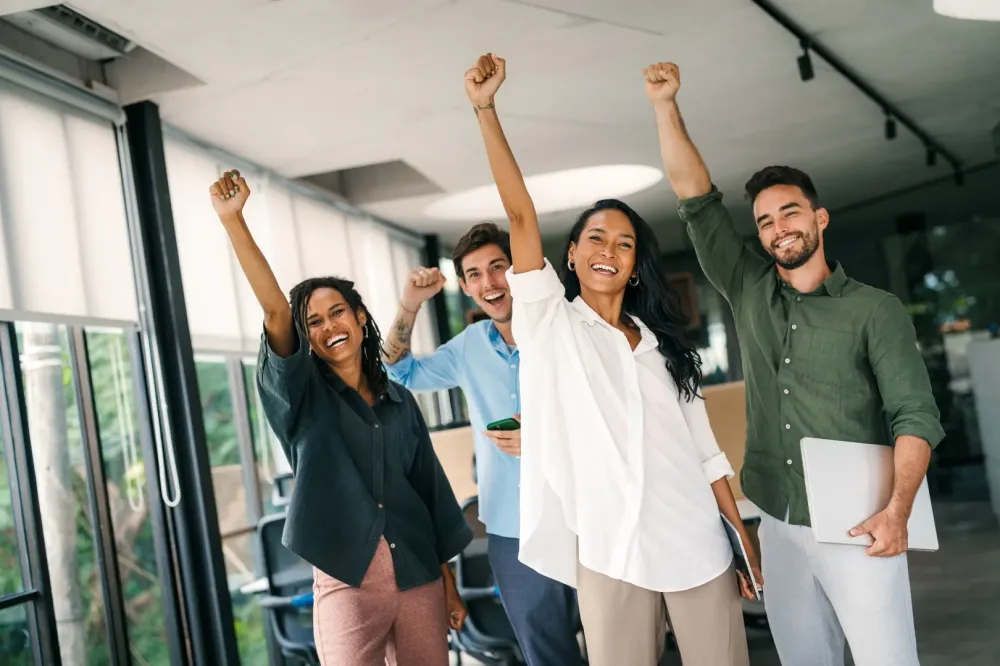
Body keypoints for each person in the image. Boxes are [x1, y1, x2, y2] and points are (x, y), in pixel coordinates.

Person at [645, 61, 945, 666]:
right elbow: (696, 198)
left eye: (789, 212)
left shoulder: (875, 310)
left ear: (819, 218)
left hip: (862, 523)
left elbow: (915, 416)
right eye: (764, 221)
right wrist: (664, 106)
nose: (778, 227)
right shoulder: (748, 289)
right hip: (777, 520)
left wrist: (898, 512)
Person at [464, 53, 758, 666]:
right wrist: (486, 110)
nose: (609, 250)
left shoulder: (663, 346)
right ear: (571, 255)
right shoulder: (550, 322)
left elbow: (705, 454)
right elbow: (519, 215)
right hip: (610, 550)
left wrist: (739, 535)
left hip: (696, 540)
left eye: (624, 243)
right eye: (595, 237)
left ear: (634, 265)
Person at [209, 169, 473, 666]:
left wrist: (447, 582)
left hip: (419, 572)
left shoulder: (400, 400)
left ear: (359, 317)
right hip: (348, 580)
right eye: (313, 321)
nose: (328, 326)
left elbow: (429, 493)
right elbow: (275, 313)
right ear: (305, 337)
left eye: (337, 312)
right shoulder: (300, 398)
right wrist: (234, 221)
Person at [382, 222, 584, 665]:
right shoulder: (468, 347)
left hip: (584, 514)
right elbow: (398, 371)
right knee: (546, 654)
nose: (489, 282)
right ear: (465, 286)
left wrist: (544, 437)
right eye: (475, 274)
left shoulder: (566, 330)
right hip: (513, 529)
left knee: (621, 646)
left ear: (518, 270)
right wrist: (410, 304)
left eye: (498, 267)